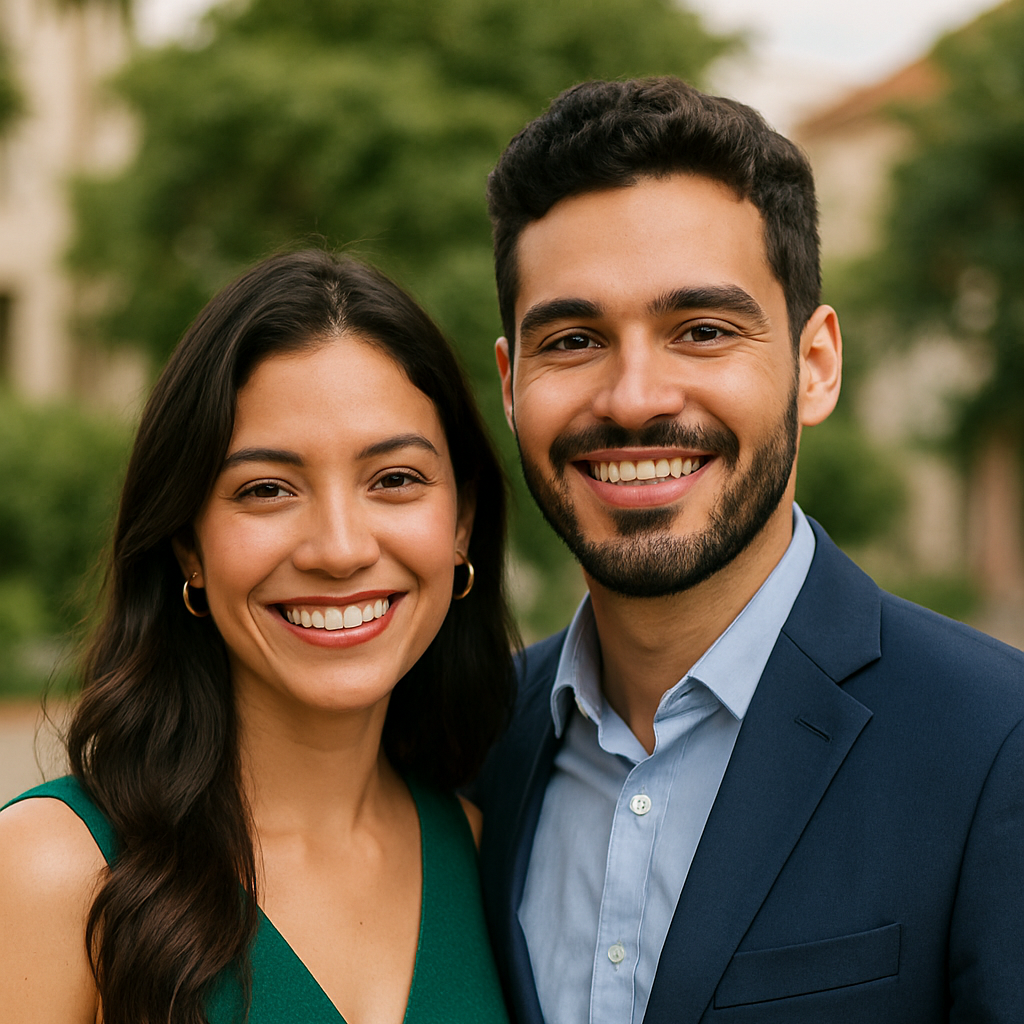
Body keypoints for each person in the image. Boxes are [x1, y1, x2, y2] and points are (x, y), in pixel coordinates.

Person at [472, 77, 1024, 1024]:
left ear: (816, 365)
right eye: (573, 338)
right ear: (512, 381)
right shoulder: (470, 747)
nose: (635, 396)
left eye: (702, 330)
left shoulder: (997, 747)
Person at [0, 250, 515, 1024]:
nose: (339, 549)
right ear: (188, 547)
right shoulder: (50, 871)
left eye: (394, 480)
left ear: (463, 523)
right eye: (266, 489)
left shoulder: (484, 852)